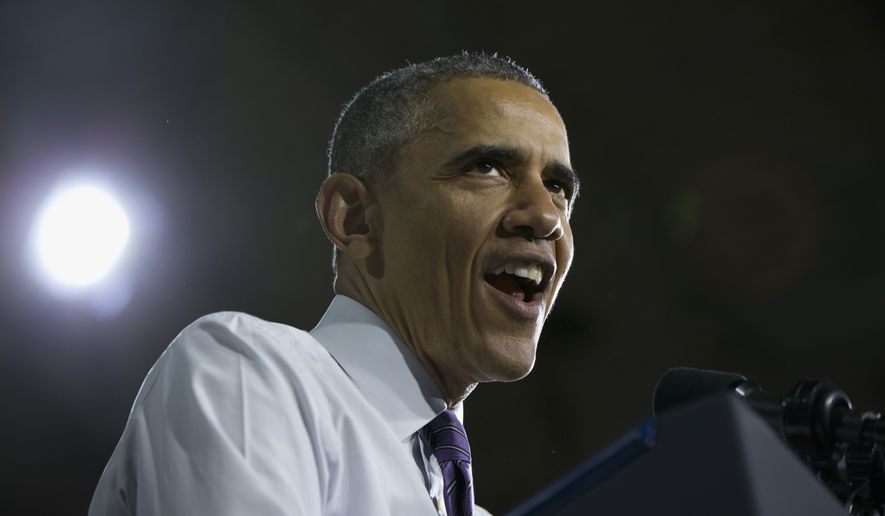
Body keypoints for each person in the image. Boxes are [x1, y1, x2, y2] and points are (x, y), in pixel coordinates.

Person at [89, 52, 579, 516]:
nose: (545, 216)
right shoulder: (250, 376)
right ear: (356, 219)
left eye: (557, 187)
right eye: (487, 167)